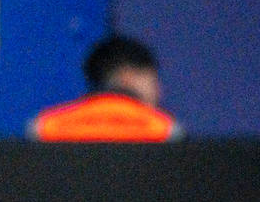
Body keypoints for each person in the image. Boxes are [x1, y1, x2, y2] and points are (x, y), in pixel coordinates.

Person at [30, 34, 182, 141]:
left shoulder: (46, 127)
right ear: (127, 77)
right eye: (153, 82)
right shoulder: (164, 130)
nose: (159, 92)